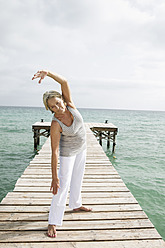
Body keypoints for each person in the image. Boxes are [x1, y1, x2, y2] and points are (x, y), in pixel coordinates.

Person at [32, 70, 92, 238]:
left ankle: (76, 204)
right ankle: (53, 221)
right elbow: (55, 151)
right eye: (53, 106)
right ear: (49, 109)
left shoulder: (70, 104)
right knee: (61, 186)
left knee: (78, 178)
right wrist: (54, 176)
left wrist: (48, 73)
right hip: (68, 153)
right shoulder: (56, 123)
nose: (58, 107)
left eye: (58, 102)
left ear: (62, 100)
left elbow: (64, 82)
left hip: (82, 148)